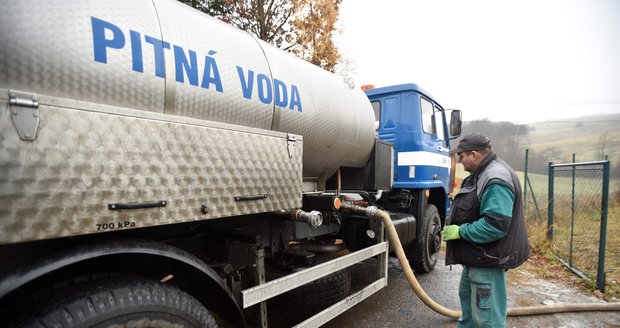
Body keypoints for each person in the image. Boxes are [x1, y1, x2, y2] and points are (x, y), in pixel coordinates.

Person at [442, 133, 530, 328]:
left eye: (462, 156)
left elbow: (495, 225)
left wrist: (460, 231)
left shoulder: (495, 177)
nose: (460, 161)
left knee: (487, 320)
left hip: (487, 261)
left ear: (474, 154)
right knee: (470, 315)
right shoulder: (482, 173)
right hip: (476, 258)